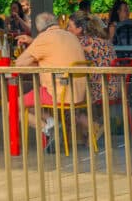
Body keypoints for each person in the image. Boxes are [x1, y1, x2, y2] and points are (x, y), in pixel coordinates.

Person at [15, 13, 88, 151]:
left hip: (58, 93)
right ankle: (52, 123)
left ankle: (48, 128)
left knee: (13, 105)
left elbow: (19, 63)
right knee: (30, 105)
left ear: (38, 27)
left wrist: (33, 54)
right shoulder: (70, 36)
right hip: (78, 93)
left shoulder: (44, 38)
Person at [68, 11, 120, 106]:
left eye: (70, 27)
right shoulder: (105, 41)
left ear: (79, 29)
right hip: (115, 89)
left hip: (98, 92)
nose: (67, 29)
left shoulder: (81, 42)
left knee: (66, 103)